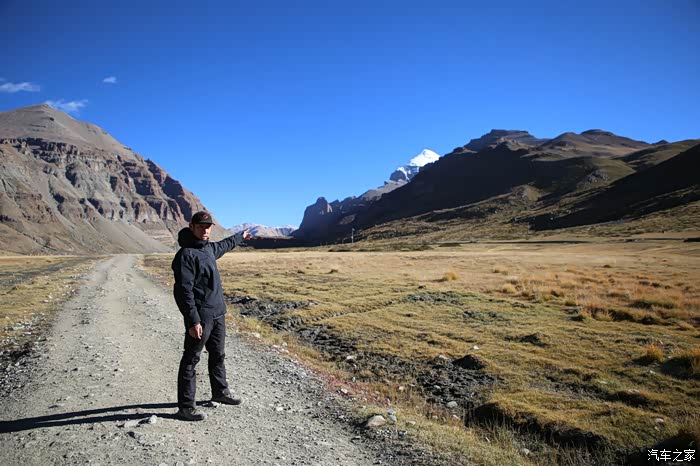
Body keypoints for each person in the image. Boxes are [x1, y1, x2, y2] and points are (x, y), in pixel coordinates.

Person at [171, 211, 253, 421]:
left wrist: (241, 237)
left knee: (218, 355)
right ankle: (186, 407)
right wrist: (193, 321)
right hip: (201, 317)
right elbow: (183, 292)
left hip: (218, 314)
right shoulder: (186, 255)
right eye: (200, 227)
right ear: (191, 227)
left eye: (208, 227)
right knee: (191, 359)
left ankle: (220, 392)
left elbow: (225, 244)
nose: (205, 230)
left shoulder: (209, 248)